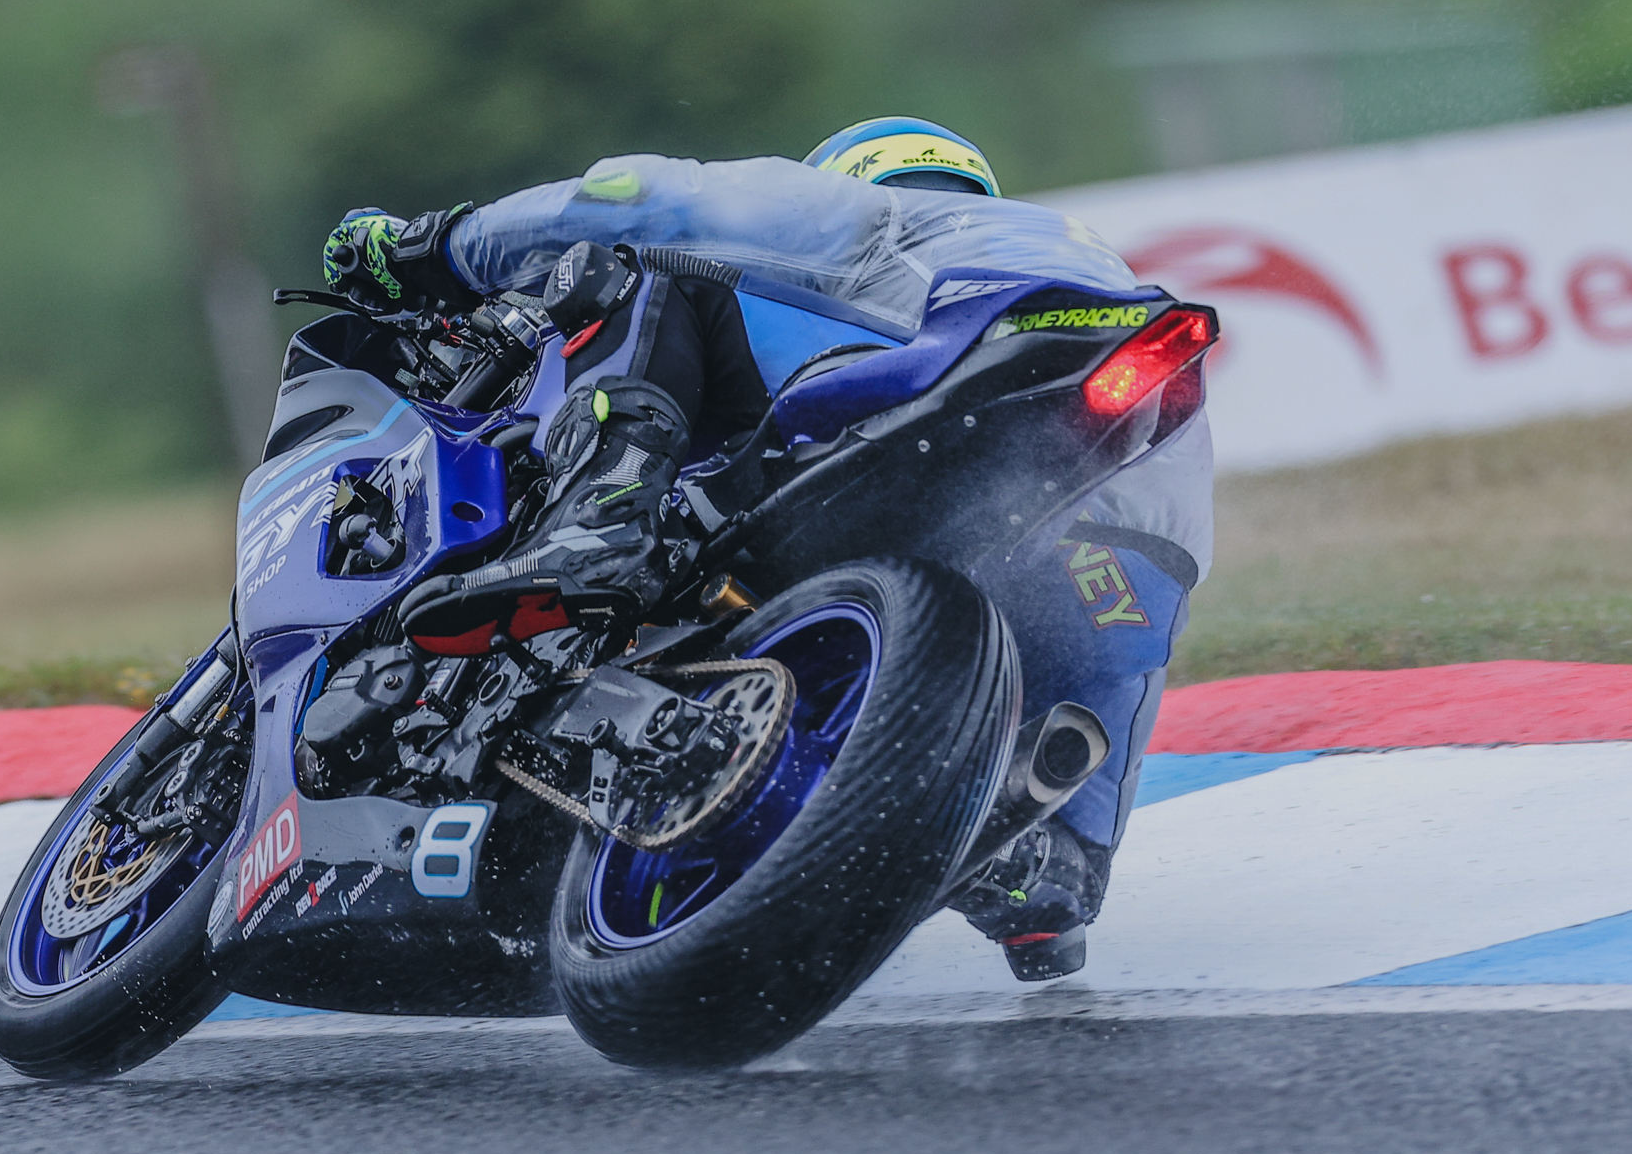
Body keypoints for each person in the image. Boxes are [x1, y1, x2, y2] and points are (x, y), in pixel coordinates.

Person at [320, 117, 1215, 980]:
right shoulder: (1067, 245)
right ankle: (1007, 848)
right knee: (1062, 864)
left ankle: (602, 515)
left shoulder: (871, 217)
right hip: (1128, 532)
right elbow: (1127, 666)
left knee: (655, 263)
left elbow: (632, 194)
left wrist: (437, 248)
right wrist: (1059, 882)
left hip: (964, 391)